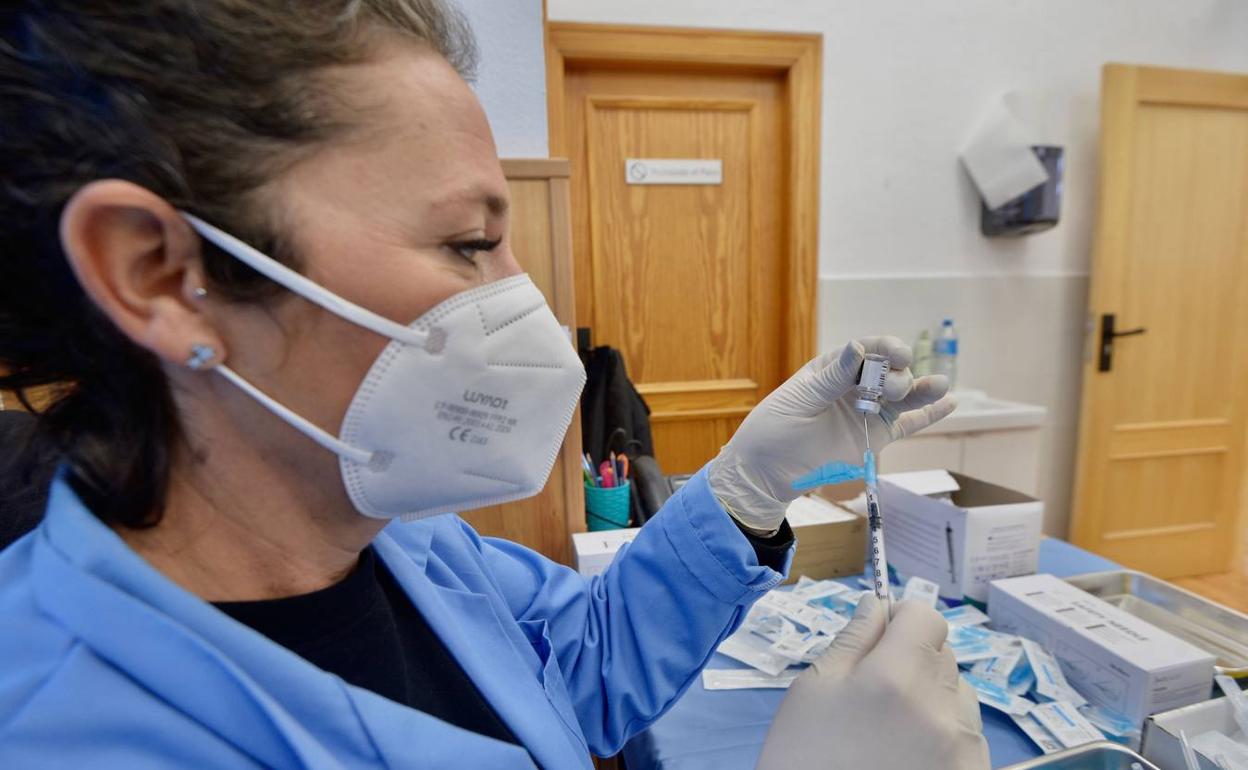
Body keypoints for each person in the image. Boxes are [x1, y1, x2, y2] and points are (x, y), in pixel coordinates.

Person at [0, 3, 988, 768]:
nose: (526, 301)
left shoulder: (398, 533)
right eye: (467, 242)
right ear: (159, 275)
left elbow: (578, 668)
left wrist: (746, 487)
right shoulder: (65, 731)